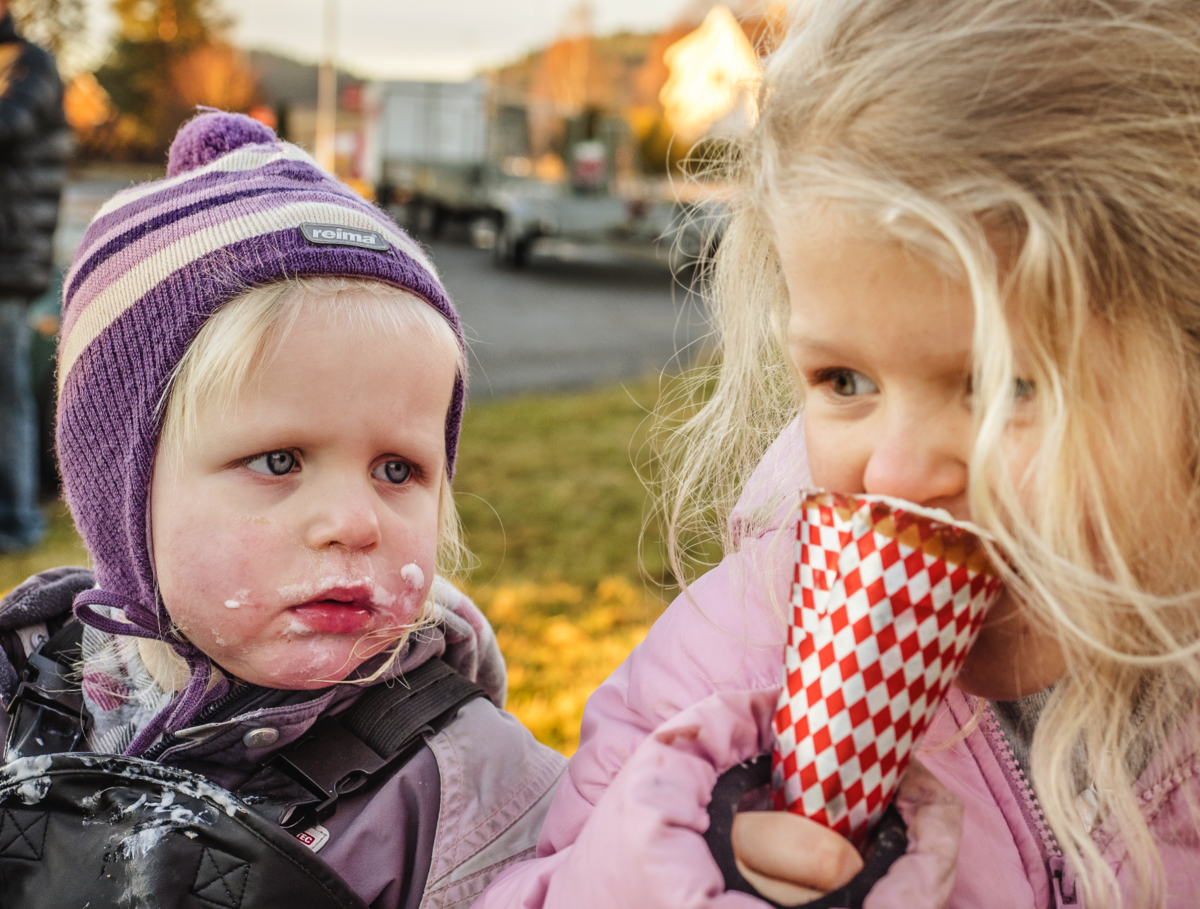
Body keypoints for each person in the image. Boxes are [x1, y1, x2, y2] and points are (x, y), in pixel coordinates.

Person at [475, 1, 1200, 907]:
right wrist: (664, 877)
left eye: (1006, 383)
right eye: (845, 380)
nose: (895, 475)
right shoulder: (730, 680)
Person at [0, 111, 564, 908]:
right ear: (121, 492)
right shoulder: (23, 691)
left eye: (397, 468)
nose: (354, 521)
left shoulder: (481, 805)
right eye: (278, 461)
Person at [0, 0, 67, 551]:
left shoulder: (29, 65)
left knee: (6, 396)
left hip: (9, 260)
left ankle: (16, 520)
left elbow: (10, 124)